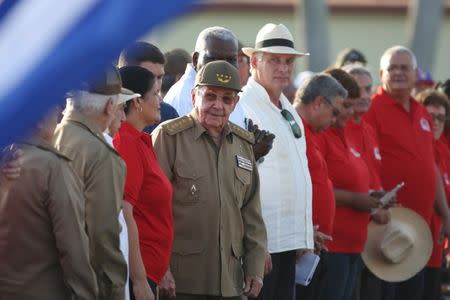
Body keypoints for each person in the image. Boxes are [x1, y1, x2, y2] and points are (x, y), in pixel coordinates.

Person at [153, 60, 267, 300]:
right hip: (182, 282)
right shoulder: (169, 137)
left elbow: (252, 213)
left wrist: (255, 268)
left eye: (227, 99)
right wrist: (160, 269)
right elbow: (152, 211)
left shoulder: (243, 144)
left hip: (231, 282)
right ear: (194, 96)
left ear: (235, 103)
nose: (218, 106)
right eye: (210, 96)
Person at [364, 46, 450, 300]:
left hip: (419, 230)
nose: (399, 73)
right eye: (392, 68)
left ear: (415, 74)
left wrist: (445, 212)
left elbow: (429, 165)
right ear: (381, 73)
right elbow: (367, 163)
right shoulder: (372, 108)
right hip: (386, 230)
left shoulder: (422, 111)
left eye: (404, 68)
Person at [238, 23, 313, 300]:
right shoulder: (242, 106)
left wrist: (304, 235)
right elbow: (240, 179)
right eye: (274, 60)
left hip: (288, 241)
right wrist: (255, 244)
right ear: (254, 61)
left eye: (288, 61)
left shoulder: (288, 108)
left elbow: (298, 171)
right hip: (263, 242)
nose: (283, 67)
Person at [0, 108, 98, 300]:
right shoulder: (52, 167)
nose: (58, 117)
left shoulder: (7, 161)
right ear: (38, 121)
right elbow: (72, 244)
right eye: (53, 113)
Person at [53, 65, 132, 300]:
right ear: (110, 106)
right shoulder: (101, 155)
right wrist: (115, 292)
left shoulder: (48, 138)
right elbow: (103, 238)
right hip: (85, 287)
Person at [163, 26, 274, 161]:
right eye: (213, 58)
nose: (223, 67)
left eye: (231, 59)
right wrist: (250, 154)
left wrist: (249, 146)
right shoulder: (184, 96)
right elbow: (195, 163)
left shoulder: (226, 88)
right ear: (196, 59)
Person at [315, 68, 379, 300]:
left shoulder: (345, 132)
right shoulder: (320, 134)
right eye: (346, 105)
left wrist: (372, 195)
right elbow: (316, 185)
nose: (351, 112)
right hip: (333, 247)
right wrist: (354, 199)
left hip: (354, 245)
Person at [114, 66, 174, 300]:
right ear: (137, 101)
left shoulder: (140, 140)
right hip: (138, 273)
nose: (160, 100)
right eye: (156, 93)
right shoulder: (127, 142)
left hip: (151, 270)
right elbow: (125, 213)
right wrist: (139, 280)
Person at [292, 74, 348, 300]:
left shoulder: (309, 131)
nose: (335, 119)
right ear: (317, 103)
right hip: (299, 246)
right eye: (335, 112)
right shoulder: (294, 129)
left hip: (311, 246)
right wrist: (301, 232)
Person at [342, 64, 391, 300]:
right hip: (345, 235)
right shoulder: (337, 128)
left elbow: (372, 175)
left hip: (372, 238)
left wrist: (381, 196)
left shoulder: (368, 129)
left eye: (367, 89)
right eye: (356, 90)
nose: (363, 96)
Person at [104, 87, 141, 300]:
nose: (124, 116)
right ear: (109, 107)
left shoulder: (107, 146)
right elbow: (104, 229)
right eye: (120, 108)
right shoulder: (102, 151)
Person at [416, 89, 450, 300]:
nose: (435, 122)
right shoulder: (422, 148)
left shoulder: (444, 150)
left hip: (436, 246)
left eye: (440, 117)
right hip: (417, 241)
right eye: (430, 117)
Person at [118, 41, 179, 133]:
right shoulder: (107, 116)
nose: (156, 85)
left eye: (159, 77)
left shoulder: (168, 115)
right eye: (148, 77)